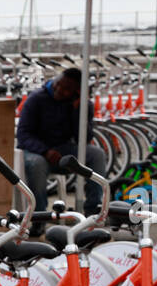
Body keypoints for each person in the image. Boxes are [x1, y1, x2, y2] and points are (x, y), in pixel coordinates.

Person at [17, 67, 107, 217]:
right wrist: (44, 151)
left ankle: (93, 209)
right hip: (34, 151)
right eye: (58, 84)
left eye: (67, 89)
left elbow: (83, 139)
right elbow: (23, 134)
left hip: (62, 150)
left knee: (97, 155)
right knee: (37, 164)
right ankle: (39, 216)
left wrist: (78, 111)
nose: (59, 89)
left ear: (77, 92)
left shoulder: (83, 105)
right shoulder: (36, 99)